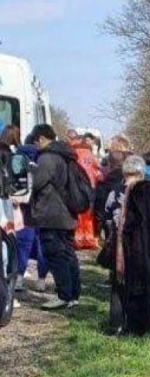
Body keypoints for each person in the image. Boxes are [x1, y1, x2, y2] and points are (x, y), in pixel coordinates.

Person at [104, 155, 150, 335]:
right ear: (142, 172)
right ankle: (142, 326)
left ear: (124, 172)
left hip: (120, 245)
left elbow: (107, 213)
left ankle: (115, 324)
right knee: (146, 284)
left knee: (118, 284)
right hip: (148, 244)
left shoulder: (116, 191)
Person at [28, 124, 81, 310]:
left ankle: (63, 295)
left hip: (52, 214)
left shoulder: (48, 157)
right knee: (68, 254)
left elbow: (35, 183)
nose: (35, 145)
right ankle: (73, 294)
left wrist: (30, 170)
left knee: (56, 255)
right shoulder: (65, 154)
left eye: (35, 141)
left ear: (42, 138)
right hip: (66, 213)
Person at [0, 126, 49, 292]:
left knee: (21, 243)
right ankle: (41, 279)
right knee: (42, 243)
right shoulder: (44, 158)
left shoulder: (16, 156)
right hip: (42, 205)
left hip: (21, 206)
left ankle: (18, 276)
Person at [95, 135, 131, 240]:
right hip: (127, 215)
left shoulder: (104, 172)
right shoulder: (134, 168)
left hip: (111, 214)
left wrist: (99, 221)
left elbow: (100, 199)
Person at [70, 134, 100, 250]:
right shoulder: (89, 154)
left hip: (77, 185)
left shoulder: (73, 154)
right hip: (90, 185)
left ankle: (78, 239)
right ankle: (89, 239)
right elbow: (96, 169)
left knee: (78, 213)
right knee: (89, 214)